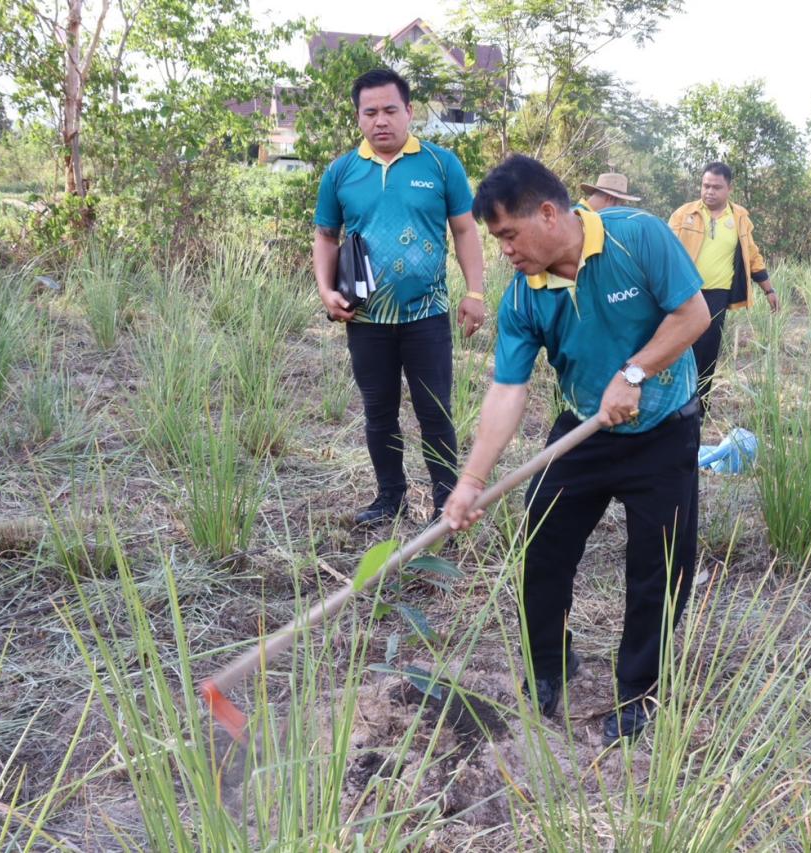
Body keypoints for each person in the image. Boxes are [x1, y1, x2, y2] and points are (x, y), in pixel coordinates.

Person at [442, 155, 709, 744]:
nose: (505, 250)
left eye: (509, 235)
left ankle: (639, 695)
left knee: (658, 570)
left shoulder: (637, 237)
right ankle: (549, 668)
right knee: (542, 553)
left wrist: (635, 374)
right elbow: (507, 392)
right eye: (497, 240)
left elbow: (693, 314)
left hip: (664, 429)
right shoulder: (524, 297)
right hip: (581, 431)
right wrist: (471, 482)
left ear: (547, 213)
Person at [313, 68, 486, 525]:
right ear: (358, 117)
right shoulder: (341, 172)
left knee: (435, 411)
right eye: (370, 112)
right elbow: (326, 236)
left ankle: (447, 502)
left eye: (390, 110)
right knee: (379, 412)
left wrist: (475, 292)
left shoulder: (441, 164)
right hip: (365, 318)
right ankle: (390, 498)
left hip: (428, 316)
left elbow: (465, 230)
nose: (381, 120)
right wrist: (326, 290)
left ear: (409, 112)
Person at [668, 162, 778, 414]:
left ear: (729, 188)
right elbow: (664, 251)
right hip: (684, 294)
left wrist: (768, 289)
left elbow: (752, 255)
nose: (709, 191)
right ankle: (673, 407)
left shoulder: (739, 218)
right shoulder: (683, 215)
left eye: (716, 187)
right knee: (678, 351)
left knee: (707, 354)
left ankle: (698, 410)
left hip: (717, 296)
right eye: (705, 186)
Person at [577, 172, 641, 212]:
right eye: (620, 204)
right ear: (609, 199)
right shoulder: (588, 222)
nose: (618, 211)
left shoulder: (573, 214)